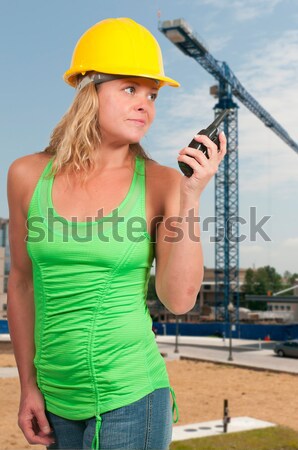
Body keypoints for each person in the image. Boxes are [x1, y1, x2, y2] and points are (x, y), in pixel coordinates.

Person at [7, 17, 226, 450]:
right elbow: (21, 282)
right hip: (55, 399)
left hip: (133, 397)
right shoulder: (26, 175)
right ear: (89, 89)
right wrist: (28, 386)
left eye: (152, 94)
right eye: (130, 89)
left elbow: (178, 299)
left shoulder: (163, 183)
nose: (145, 104)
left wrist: (190, 198)